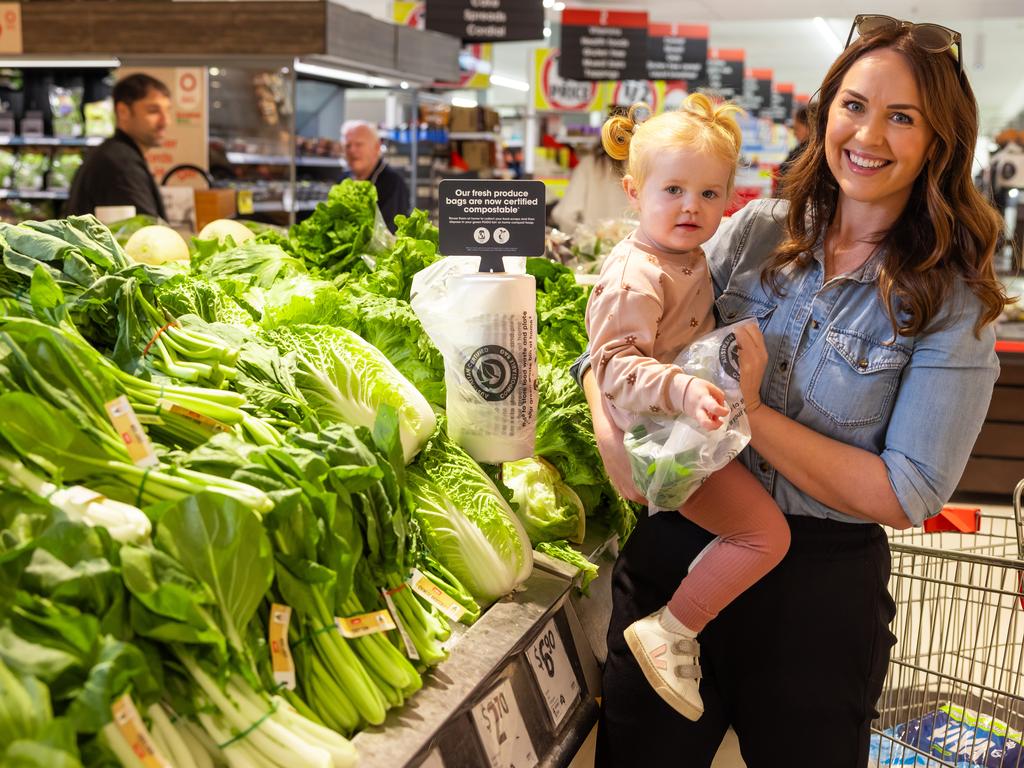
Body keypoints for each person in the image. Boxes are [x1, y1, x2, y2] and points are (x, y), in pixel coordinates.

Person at [573, 14, 1009, 765]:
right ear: (825, 112)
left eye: (902, 117)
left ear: (939, 141)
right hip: (678, 551)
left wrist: (752, 410)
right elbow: (626, 340)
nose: (868, 135)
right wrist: (611, 437)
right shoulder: (754, 231)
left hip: (817, 599)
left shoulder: (953, 299)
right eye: (854, 106)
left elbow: (907, 491)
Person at [585, 93, 789, 722]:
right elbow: (613, 363)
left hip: (677, 427)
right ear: (632, 189)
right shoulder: (635, 275)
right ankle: (673, 628)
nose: (690, 208)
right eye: (672, 189)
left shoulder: (681, 256)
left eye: (708, 194)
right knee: (764, 535)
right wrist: (684, 388)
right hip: (658, 444)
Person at [67, 73, 170, 219]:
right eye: (153, 111)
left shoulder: (116, 153)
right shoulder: (121, 162)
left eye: (167, 110)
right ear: (123, 112)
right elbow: (145, 232)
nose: (165, 121)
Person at [341, 120, 410, 233]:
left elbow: (390, 234)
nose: (352, 150)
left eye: (359, 144)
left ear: (377, 148)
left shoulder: (393, 183)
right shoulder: (343, 180)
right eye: (348, 145)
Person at [550, 144, 629, 232]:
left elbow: (564, 214)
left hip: (595, 244)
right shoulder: (641, 164)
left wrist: (583, 238)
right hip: (637, 244)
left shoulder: (590, 164)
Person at [773, 105, 810, 197]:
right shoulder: (803, 150)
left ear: (809, 127)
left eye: (797, 128)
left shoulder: (805, 153)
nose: (794, 133)